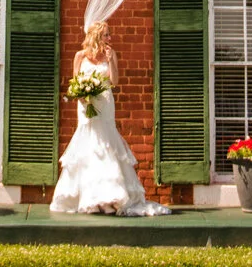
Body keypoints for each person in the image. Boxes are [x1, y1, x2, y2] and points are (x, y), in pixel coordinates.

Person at [50, 22, 170, 215]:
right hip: (86, 105)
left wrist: (111, 60)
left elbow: (114, 81)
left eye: (109, 35)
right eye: (106, 35)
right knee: (88, 144)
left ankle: (110, 197)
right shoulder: (80, 56)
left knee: (105, 142)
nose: (109, 38)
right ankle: (88, 197)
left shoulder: (110, 54)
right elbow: (75, 82)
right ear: (96, 36)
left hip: (104, 103)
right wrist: (81, 95)